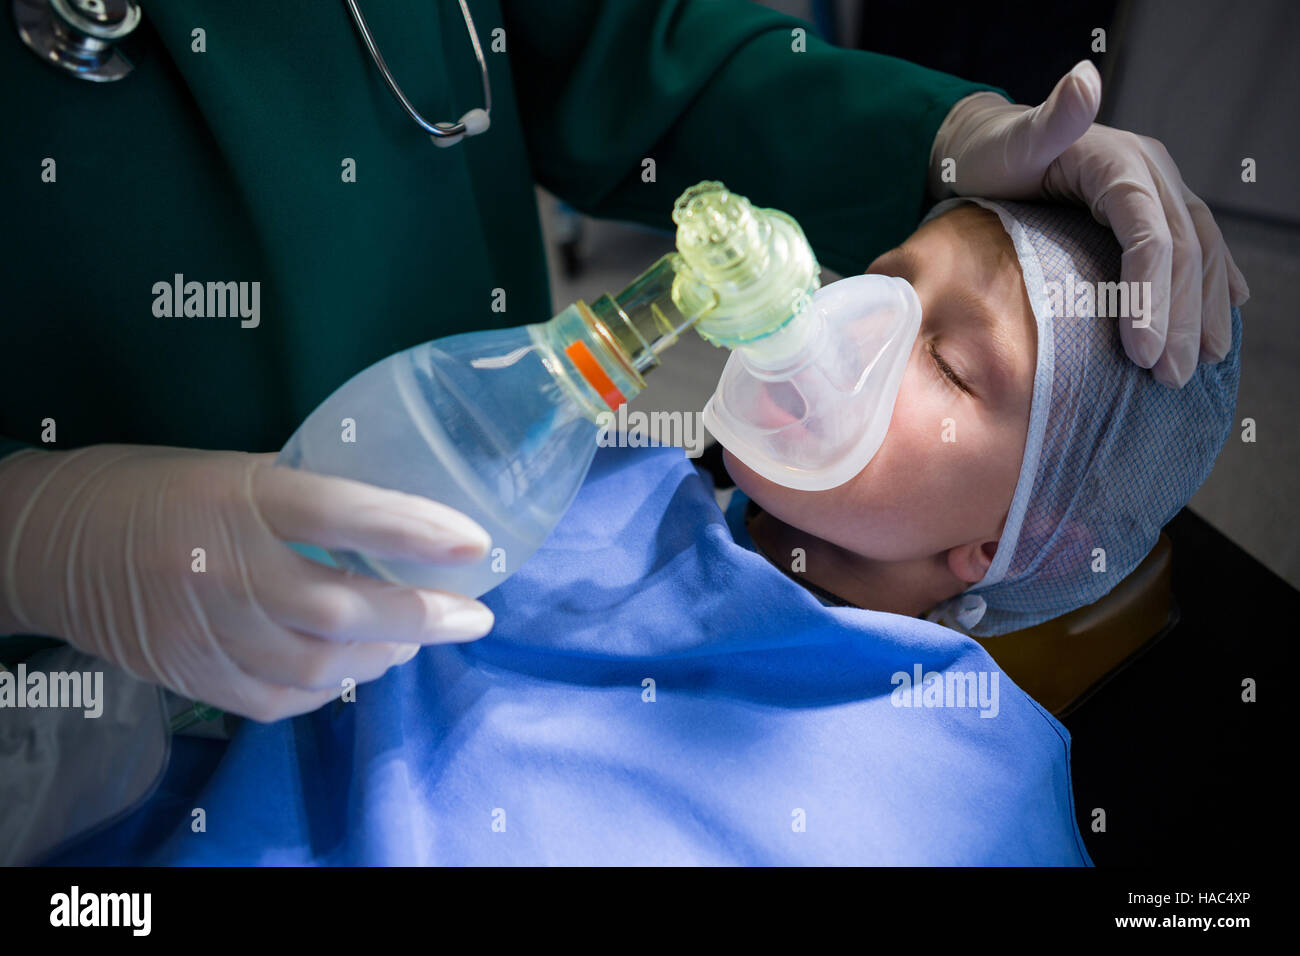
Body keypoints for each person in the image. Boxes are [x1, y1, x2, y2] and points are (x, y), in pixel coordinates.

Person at [0, 1, 1246, 723]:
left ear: (995, 544)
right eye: (888, 275)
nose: (845, 312)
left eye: (952, 365)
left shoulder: (947, 789)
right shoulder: (592, 494)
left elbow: (615, 38)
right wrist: (28, 529)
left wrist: (942, 131)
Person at [720, 199, 1242, 635]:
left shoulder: (935, 749)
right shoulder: (656, 476)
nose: (853, 334)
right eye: (882, 283)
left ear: (1008, 547)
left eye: (951, 367)